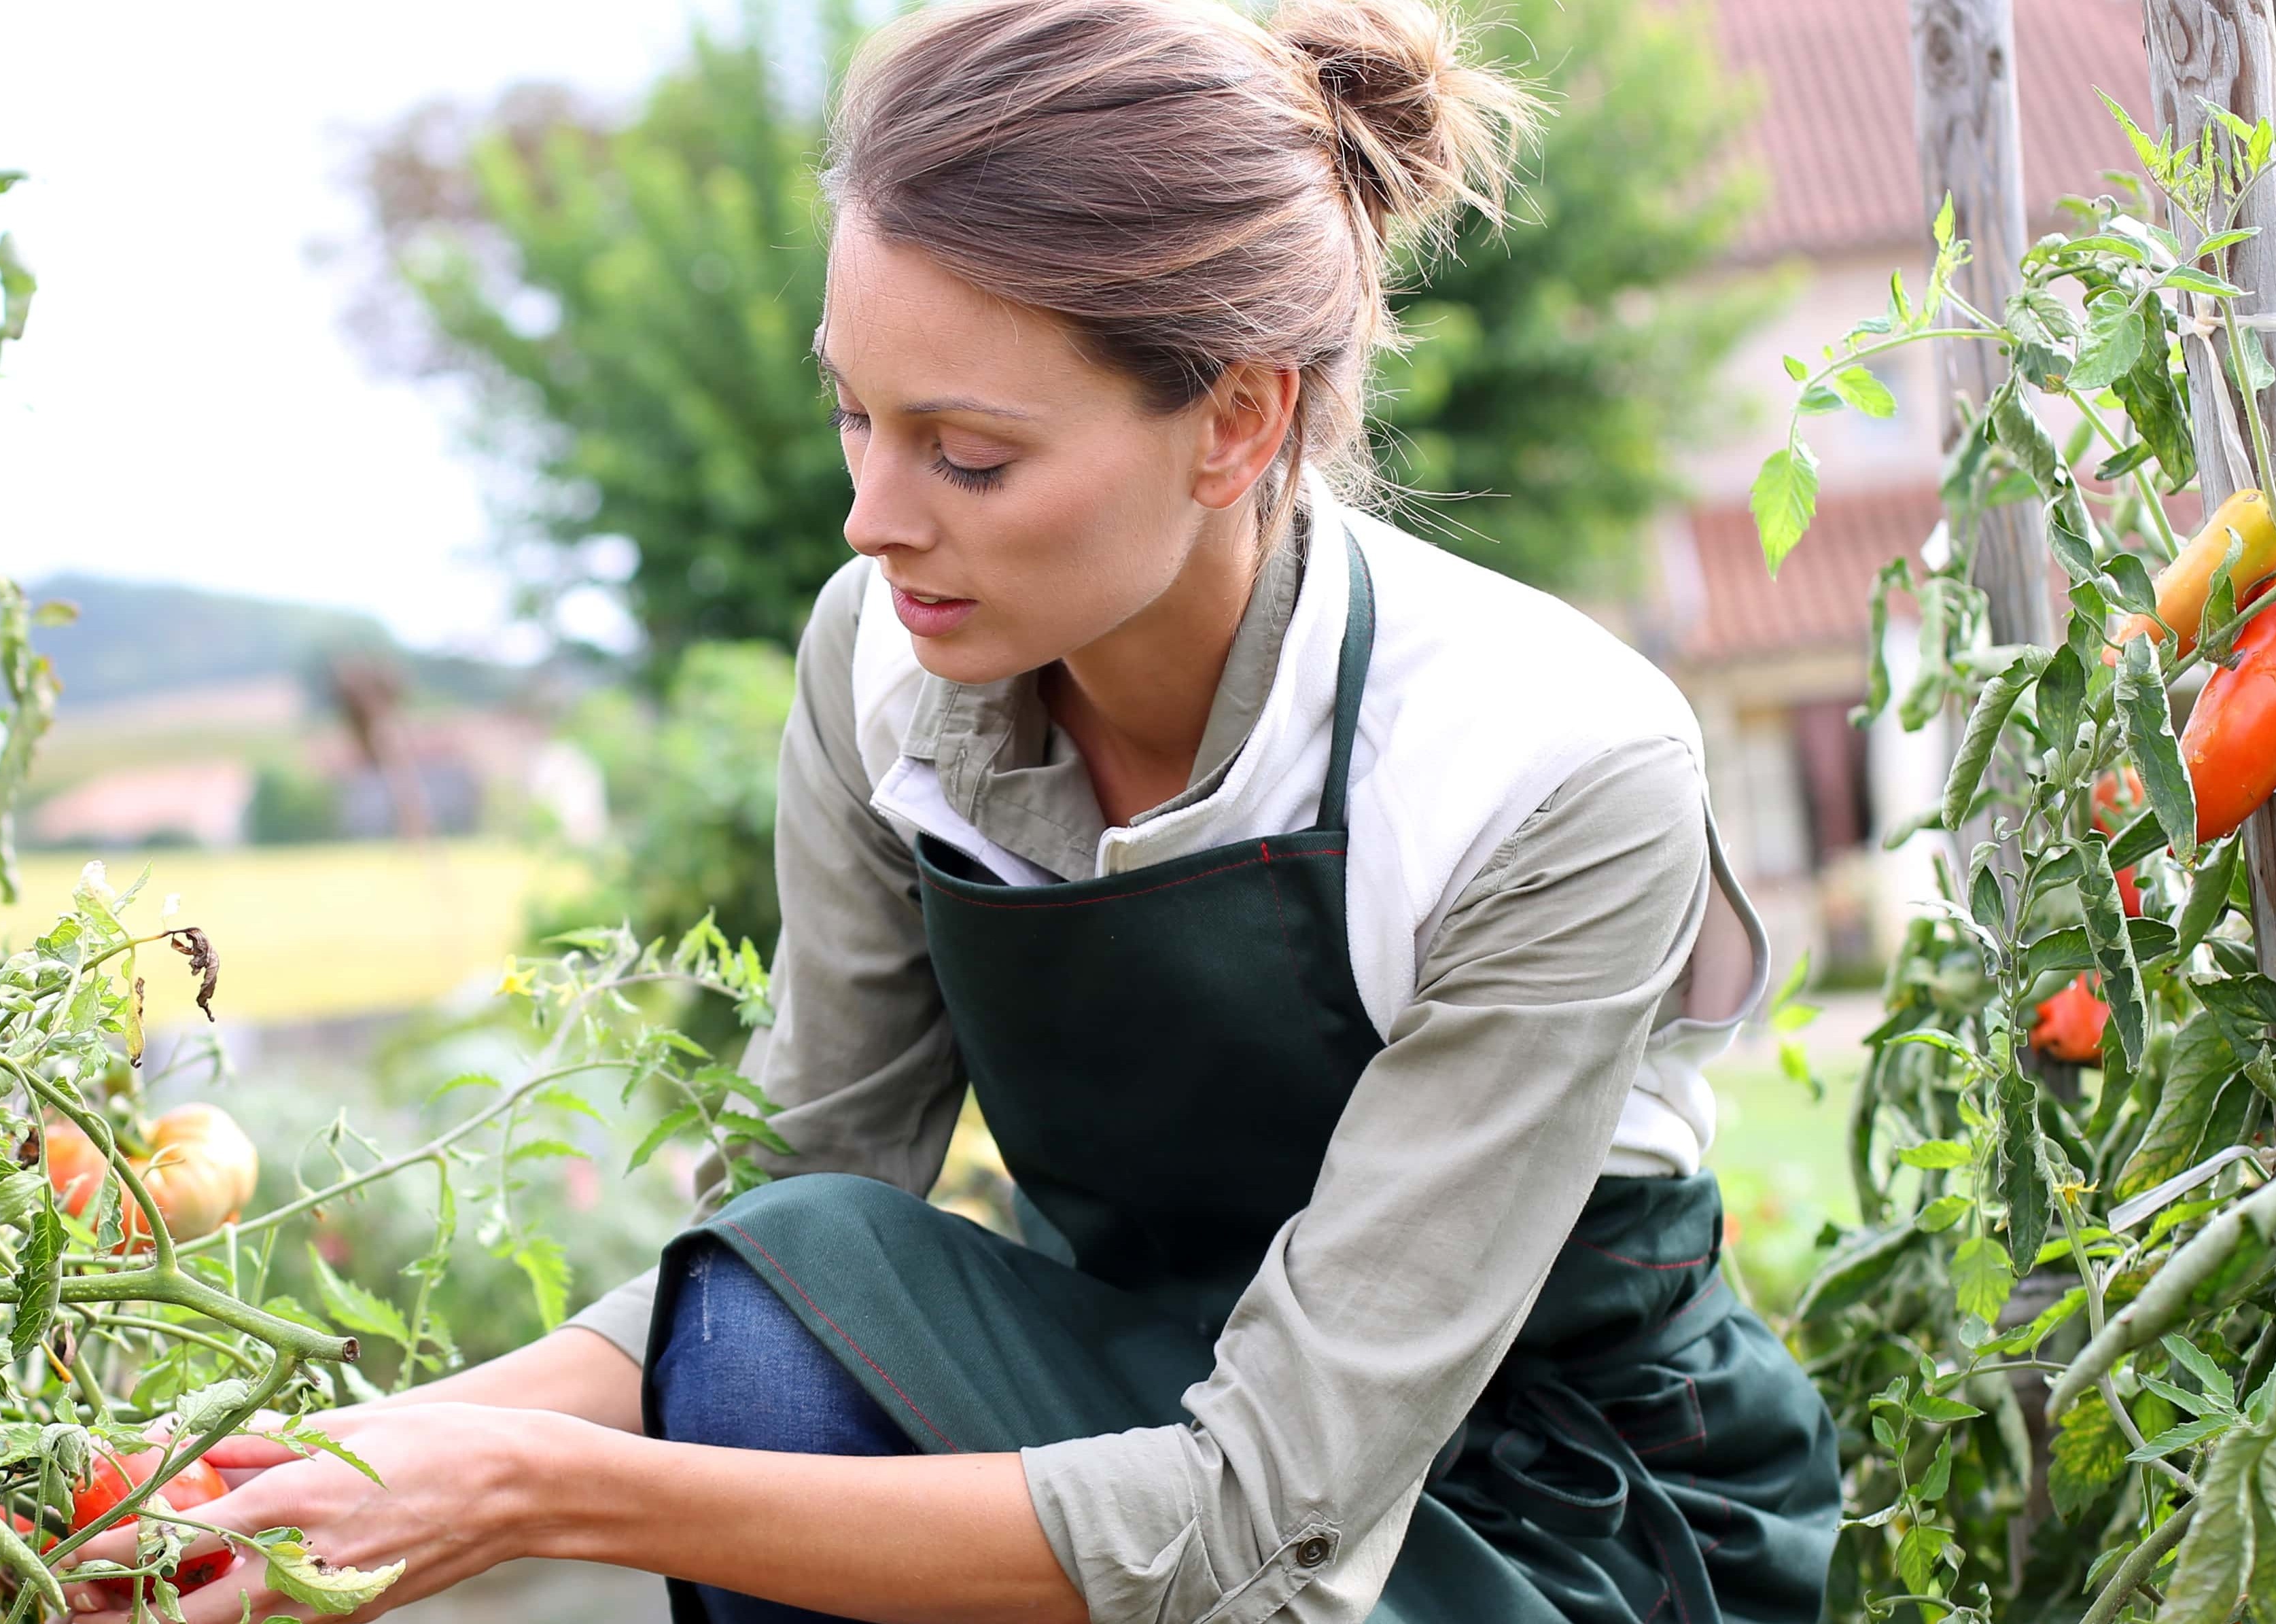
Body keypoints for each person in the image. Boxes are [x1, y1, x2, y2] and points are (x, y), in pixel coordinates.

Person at [90, 1, 1840, 1619]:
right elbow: (779, 1244)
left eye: (969, 457)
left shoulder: (1544, 769)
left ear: (1238, 420)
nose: (872, 517)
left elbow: (1267, 1521)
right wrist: (295, 1478)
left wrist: (553, 1492)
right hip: (1133, 1392)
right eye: (854, 418)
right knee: (786, 1300)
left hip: (1546, 1518)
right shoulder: (886, 672)